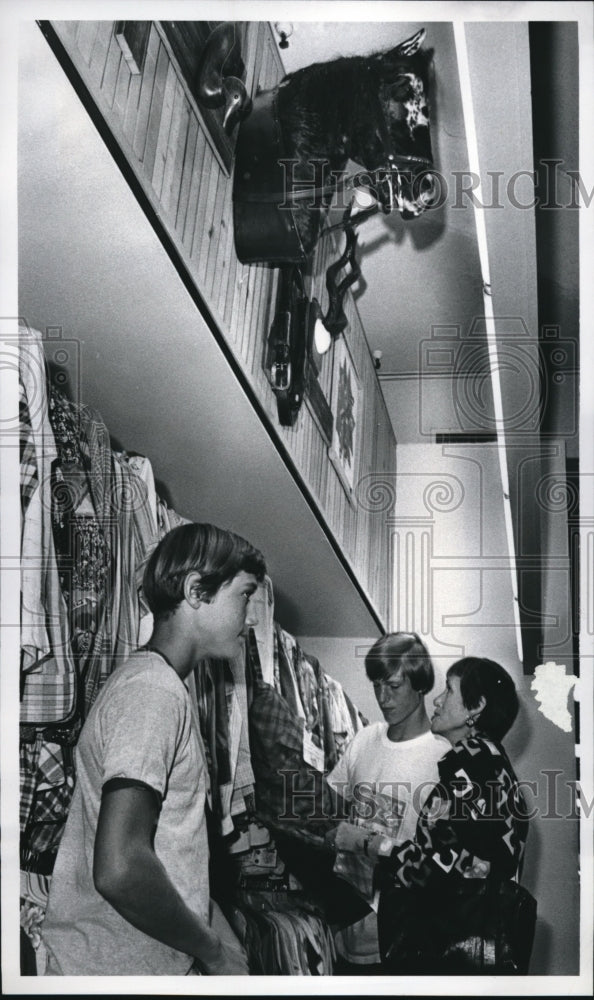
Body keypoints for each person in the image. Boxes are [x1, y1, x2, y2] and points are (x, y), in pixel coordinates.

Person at [42, 522, 266, 975]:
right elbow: (120, 868)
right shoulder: (153, 691)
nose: (253, 616)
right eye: (244, 595)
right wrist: (213, 951)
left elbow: (172, 859)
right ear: (196, 590)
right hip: (110, 971)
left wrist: (223, 944)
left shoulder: (159, 686)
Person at [372, 656, 532, 974]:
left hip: (444, 955)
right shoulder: (500, 773)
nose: (438, 699)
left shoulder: (467, 769)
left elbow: (430, 868)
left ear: (475, 708)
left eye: (448, 689)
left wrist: (371, 845)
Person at [324, 633, 449, 974]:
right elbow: (332, 809)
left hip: (402, 941)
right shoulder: (365, 738)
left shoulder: (442, 760)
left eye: (393, 686)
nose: (382, 697)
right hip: (343, 930)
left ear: (420, 684)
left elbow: (440, 863)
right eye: (377, 685)